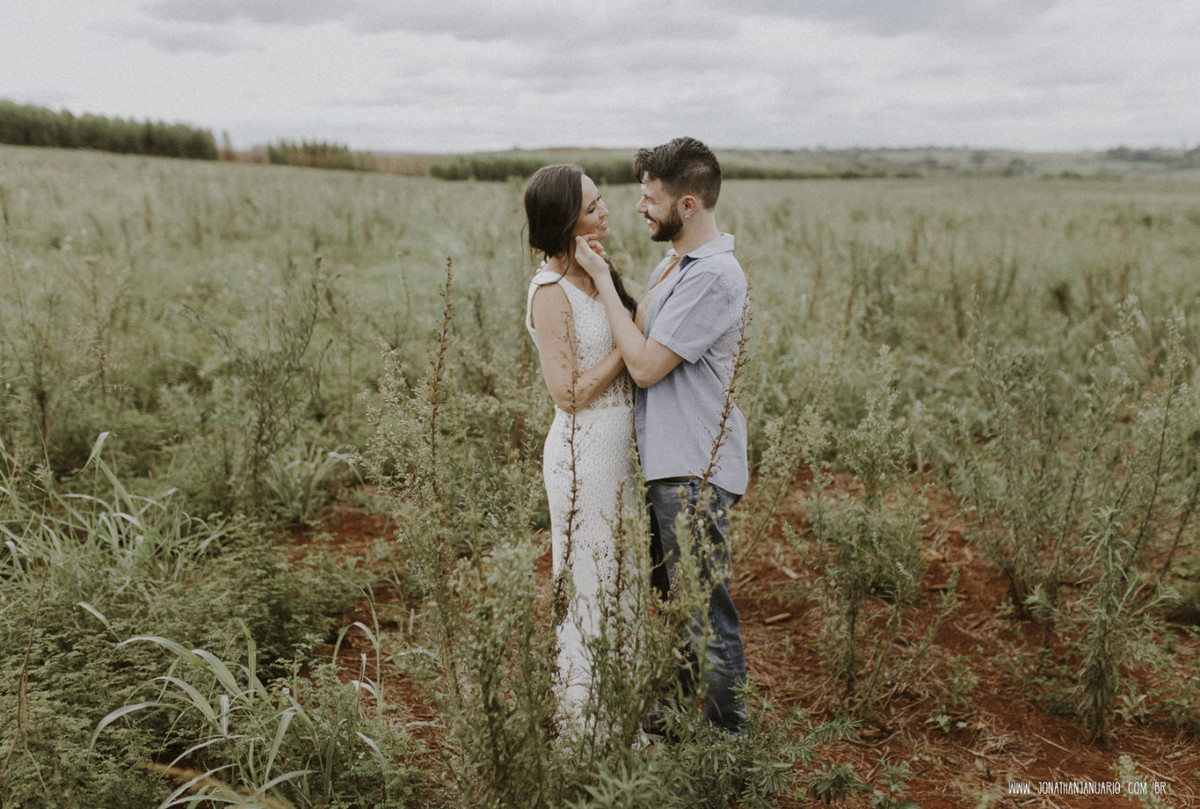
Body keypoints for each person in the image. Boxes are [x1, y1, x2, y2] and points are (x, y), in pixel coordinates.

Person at [574, 136, 749, 734]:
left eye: (651, 199)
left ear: (689, 204)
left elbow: (646, 363)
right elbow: (639, 332)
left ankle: (731, 746)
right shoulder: (673, 263)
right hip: (667, 460)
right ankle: (675, 719)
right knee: (678, 605)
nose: (640, 209)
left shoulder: (715, 277)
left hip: (693, 467)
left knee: (705, 612)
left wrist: (600, 278)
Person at [523, 164, 640, 728]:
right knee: (591, 581)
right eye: (594, 206)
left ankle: (625, 716)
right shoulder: (550, 292)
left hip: (621, 453)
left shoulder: (599, 270)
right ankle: (586, 727)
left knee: (627, 579)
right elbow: (568, 393)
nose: (606, 212)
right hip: (581, 454)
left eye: (602, 201)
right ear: (568, 222)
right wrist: (629, 349)